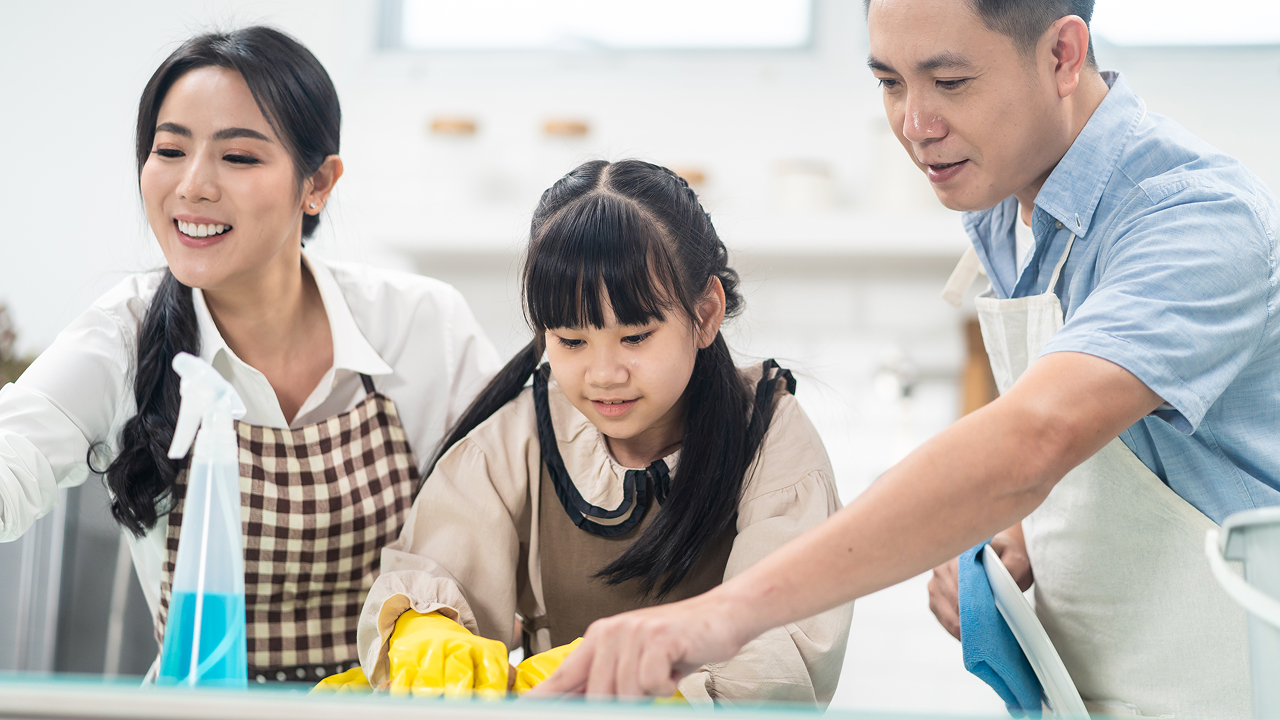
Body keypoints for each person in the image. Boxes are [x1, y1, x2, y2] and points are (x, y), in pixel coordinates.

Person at [532, 1, 1280, 716]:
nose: (914, 124)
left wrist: (713, 619)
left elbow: (1033, 441)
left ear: (1062, 54)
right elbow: (1129, 456)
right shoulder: (1009, 211)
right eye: (889, 82)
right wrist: (1028, 539)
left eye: (949, 82)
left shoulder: (1195, 218)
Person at [0, 27, 500, 684]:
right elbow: (14, 455)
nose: (194, 186)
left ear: (317, 183)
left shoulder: (419, 324)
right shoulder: (123, 333)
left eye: (237, 157)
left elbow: (518, 511)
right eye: (170, 150)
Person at [323, 160, 852, 705]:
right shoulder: (519, 437)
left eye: (636, 337)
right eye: (571, 341)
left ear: (706, 313)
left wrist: (613, 685)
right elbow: (435, 575)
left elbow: (779, 652)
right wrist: (424, 632)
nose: (604, 374)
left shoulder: (768, 436)